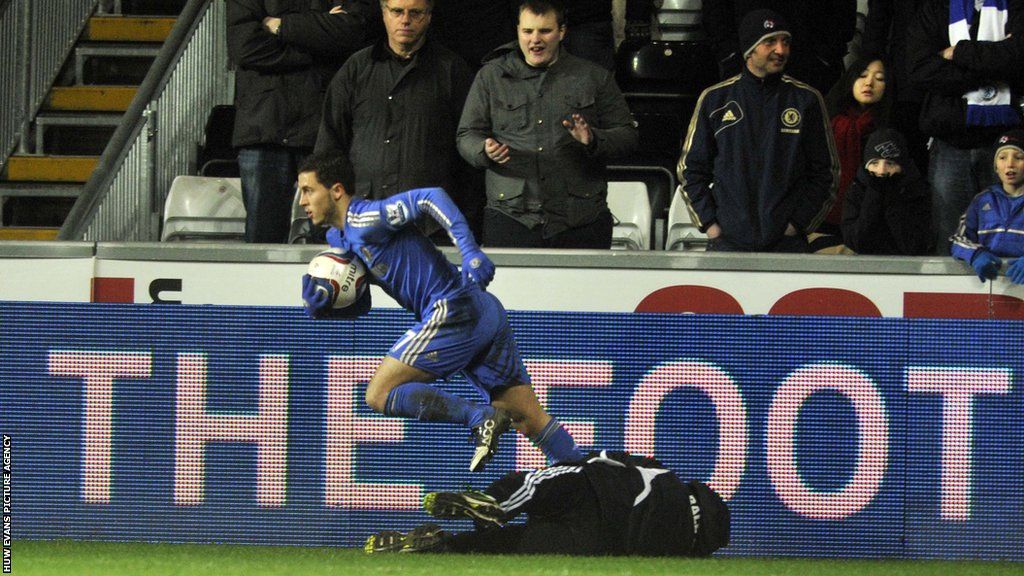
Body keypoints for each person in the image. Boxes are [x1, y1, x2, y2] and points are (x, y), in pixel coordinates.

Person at [297, 152, 583, 471]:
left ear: (336, 190)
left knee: (378, 393)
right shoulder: (338, 238)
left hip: (452, 307)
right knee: (526, 418)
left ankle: (479, 417)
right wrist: (327, 306)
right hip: (481, 311)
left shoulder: (366, 219)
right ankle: (588, 481)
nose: (301, 201)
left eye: (308, 190)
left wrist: (470, 252)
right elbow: (362, 300)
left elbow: (430, 197)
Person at [456, 0, 639, 249]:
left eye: (545, 31)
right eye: (527, 31)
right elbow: (467, 134)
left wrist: (593, 139)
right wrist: (483, 150)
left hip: (581, 221)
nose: (535, 40)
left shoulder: (594, 77)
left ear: (562, 32)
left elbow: (627, 135)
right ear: (518, 31)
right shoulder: (491, 76)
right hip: (511, 220)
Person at [678, 9, 839, 253]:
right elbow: (691, 170)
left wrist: (797, 224)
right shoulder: (715, 99)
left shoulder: (806, 100)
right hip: (728, 244)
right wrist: (710, 224)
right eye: (770, 42)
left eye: (785, 42)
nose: (781, 50)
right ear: (749, 50)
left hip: (788, 245)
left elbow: (826, 172)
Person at [364, 450, 731, 557]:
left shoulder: (665, 477)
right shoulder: (683, 551)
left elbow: (605, 460)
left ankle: (494, 502)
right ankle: (444, 545)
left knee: (535, 485)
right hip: (598, 544)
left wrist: (581, 463)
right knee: (504, 547)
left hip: (597, 490)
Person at [314, 0, 479, 235]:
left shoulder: (452, 70)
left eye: (416, 13)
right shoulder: (355, 69)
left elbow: (467, 154)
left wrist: (467, 223)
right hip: (364, 224)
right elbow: (329, 148)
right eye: (397, 11)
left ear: (429, 16)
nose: (405, 19)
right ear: (383, 14)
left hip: (431, 227)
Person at [227, 0, 378, 243]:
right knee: (262, 243)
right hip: (264, 130)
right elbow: (244, 46)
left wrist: (281, 27)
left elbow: (351, 33)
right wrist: (318, 45)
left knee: (329, 240)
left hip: (322, 131)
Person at [907, 0, 1024, 254]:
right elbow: (920, 69)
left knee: (1009, 238)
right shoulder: (935, 8)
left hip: (1006, 144)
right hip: (951, 141)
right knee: (950, 238)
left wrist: (958, 53)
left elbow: (1020, 56)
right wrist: (994, 67)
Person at [702, 0, 858, 95]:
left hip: (811, 68)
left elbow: (843, 13)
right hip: (746, 63)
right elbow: (715, 11)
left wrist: (824, 58)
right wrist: (731, 55)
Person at [818, 55, 893, 249]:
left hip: (872, 224)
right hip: (823, 220)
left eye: (879, 78)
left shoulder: (890, 130)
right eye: (862, 75)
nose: (869, 82)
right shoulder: (827, 119)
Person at [841, 128, 934, 255]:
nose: (881, 171)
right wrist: (874, 195)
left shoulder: (917, 192)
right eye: (874, 163)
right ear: (866, 165)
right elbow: (856, 242)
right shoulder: (856, 191)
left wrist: (892, 197)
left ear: (902, 167)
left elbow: (914, 246)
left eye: (890, 163)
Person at [951, 129, 1024, 283]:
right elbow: (958, 239)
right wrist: (975, 254)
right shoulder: (981, 200)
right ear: (996, 167)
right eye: (1002, 158)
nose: (1010, 164)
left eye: (1018, 157)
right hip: (990, 286)